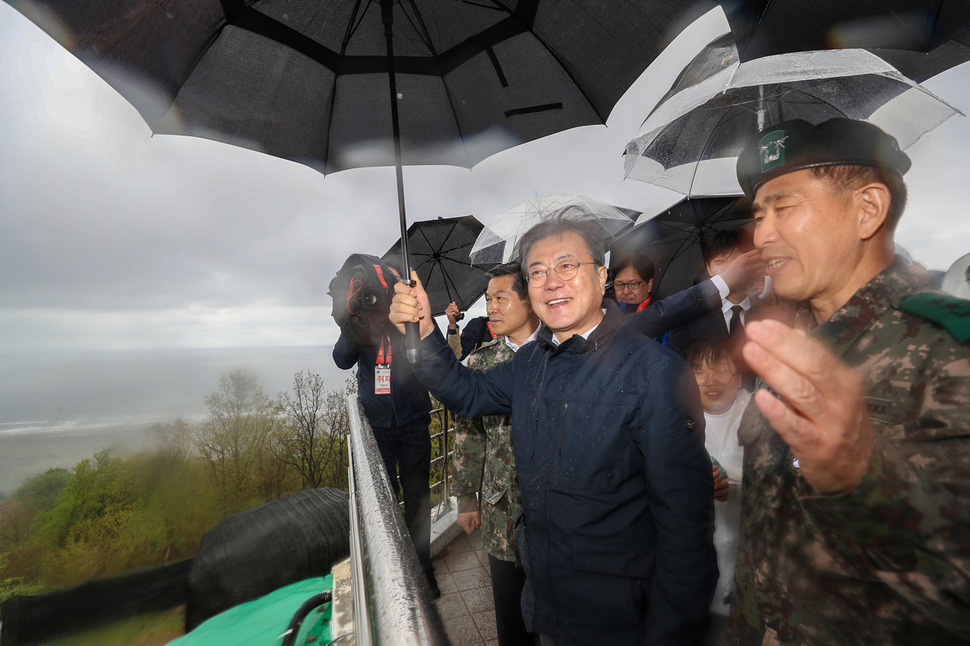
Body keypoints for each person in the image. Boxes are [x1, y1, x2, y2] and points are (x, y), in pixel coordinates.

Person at [390, 215, 717, 645]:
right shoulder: (531, 364)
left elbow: (686, 534)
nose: (551, 281)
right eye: (538, 272)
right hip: (549, 607)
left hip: (623, 621)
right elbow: (466, 391)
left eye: (567, 265)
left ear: (601, 276)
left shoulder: (655, 373)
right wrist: (428, 330)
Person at [727, 118, 970, 645]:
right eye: (759, 214)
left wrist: (865, 478)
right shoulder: (796, 342)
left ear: (867, 210)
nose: (763, 233)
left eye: (784, 207)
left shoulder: (947, 348)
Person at [331, 260, 439, 598]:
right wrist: (355, 321)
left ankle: (423, 570)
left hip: (413, 422)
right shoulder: (361, 321)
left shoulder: (405, 313)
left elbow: (425, 356)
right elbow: (341, 359)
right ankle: (397, 573)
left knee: (418, 500)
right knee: (385, 502)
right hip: (378, 426)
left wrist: (401, 319)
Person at [452, 263, 540, 646]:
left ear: (530, 300)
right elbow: (468, 437)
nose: (491, 307)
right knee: (510, 613)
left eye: (501, 297)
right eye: (488, 299)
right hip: (502, 507)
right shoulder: (481, 362)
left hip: (554, 511)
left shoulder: (561, 357)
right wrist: (467, 498)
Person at [685, 337, 750, 646]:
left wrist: (732, 483)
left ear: (738, 375)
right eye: (699, 371)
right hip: (689, 579)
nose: (710, 380)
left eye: (721, 369)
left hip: (747, 575)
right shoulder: (674, 420)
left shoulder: (759, 414)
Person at [668, 228, 764, 358]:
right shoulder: (688, 321)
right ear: (709, 269)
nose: (731, 269)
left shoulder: (771, 308)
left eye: (737, 260)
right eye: (720, 261)